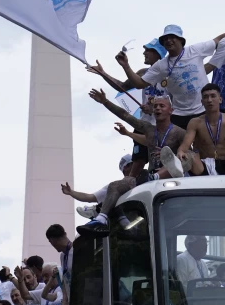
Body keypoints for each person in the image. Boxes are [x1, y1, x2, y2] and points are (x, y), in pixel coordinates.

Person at [77, 94, 191, 238]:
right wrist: (105, 101)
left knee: (185, 158)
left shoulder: (180, 132)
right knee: (115, 185)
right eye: (155, 106)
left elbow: (189, 157)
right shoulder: (149, 129)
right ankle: (101, 219)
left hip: (171, 177)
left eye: (162, 106)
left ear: (171, 110)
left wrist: (171, 156)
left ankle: (156, 175)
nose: (158, 109)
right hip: (149, 179)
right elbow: (126, 116)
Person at [115, 25, 225, 129]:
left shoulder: (195, 50)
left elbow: (218, 40)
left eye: (172, 37)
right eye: (165, 39)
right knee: (178, 152)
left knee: (206, 147)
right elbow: (139, 84)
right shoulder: (160, 66)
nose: (168, 41)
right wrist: (126, 66)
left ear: (181, 40)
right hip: (179, 114)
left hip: (202, 109)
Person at [88, 39, 167, 176]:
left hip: (163, 126)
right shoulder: (144, 72)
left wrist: (154, 109)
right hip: (143, 124)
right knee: (138, 162)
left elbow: (177, 102)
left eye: (147, 50)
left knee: (159, 163)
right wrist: (103, 73)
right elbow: (123, 87)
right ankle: (129, 187)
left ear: (157, 53)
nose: (144, 52)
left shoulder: (169, 73)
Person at [62, 154, 133, 220]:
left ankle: (98, 212)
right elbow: (89, 197)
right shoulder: (115, 187)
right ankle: (98, 210)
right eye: (134, 164)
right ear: (125, 167)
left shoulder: (143, 178)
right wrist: (71, 192)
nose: (138, 165)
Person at [45, 225, 73, 305]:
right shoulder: (62, 256)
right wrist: (64, 302)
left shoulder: (77, 251)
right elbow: (65, 280)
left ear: (52, 240)